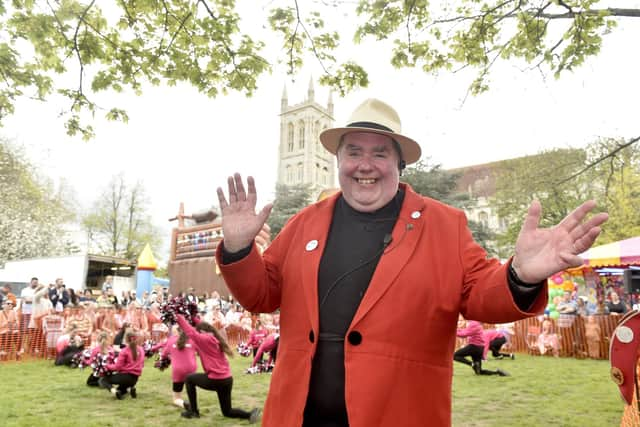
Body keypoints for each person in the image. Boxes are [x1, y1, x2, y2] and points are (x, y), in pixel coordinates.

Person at [214, 98, 608, 426]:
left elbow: (480, 293)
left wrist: (520, 275)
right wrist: (237, 249)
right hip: (299, 416)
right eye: (353, 152)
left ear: (399, 164)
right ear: (338, 161)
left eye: (379, 153)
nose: (364, 165)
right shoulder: (306, 222)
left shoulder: (444, 225)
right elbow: (262, 294)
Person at [175, 314, 260, 423]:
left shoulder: (205, 339)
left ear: (201, 332)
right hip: (227, 379)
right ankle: (249, 414)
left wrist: (177, 316)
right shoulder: (213, 338)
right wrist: (193, 316)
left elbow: (190, 332)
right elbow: (198, 328)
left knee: (189, 379)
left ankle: (193, 412)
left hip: (216, 380)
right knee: (227, 412)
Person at [159, 324, 197, 410]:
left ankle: (185, 405)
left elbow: (164, 354)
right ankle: (193, 404)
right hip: (191, 368)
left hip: (178, 370)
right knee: (191, 389)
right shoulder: (191, 340)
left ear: (175, 331)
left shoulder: (171, 340)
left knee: (176, 398)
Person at [99, 329, 144, 399]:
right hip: (135, 378)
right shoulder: (141, 349)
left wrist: (107, 365)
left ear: (125, 339)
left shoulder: (124, 351)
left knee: (103, 380)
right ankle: (130, 388)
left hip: (125, 377)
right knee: (121, 390)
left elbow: (117, 367)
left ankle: (115, 391)